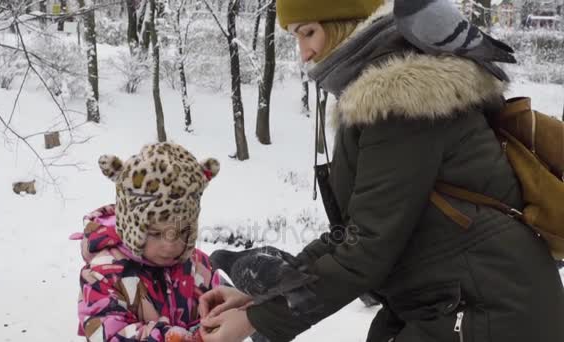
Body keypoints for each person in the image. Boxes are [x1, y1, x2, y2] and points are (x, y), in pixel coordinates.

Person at [198, 0, 564, 341]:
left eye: (308, 32)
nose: (304, 53)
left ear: (344, 22)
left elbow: (365, 249)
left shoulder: (403, 106)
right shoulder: (381, 102)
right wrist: (258, 299)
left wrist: (257, 321)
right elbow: (353, 233)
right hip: (461, 302)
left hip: (491, 312)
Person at [73, 142, 221, 341]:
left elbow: (218, 312)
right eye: (155, 234)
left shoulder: (199, 266)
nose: (169, 246)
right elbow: (107, 332)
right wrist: (169, 338)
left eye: (181, 231)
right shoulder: (102, 275)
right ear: (133, 226)